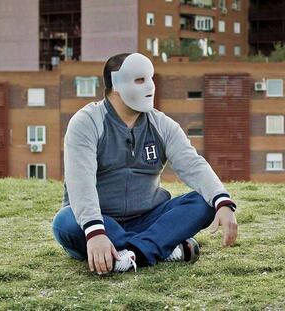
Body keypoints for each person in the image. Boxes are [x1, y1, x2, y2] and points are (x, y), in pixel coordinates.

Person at [52, 53, 238, 275]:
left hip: (149, 217)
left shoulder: (162, 124)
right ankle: (163, 247)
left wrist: (223, 202)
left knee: (205, 202)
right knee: (65, 221)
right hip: (103, 221)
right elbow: (80, 182)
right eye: (140, 80)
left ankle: (133, 254)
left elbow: (192, 164)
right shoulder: (86, 122)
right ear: (116, 84)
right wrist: (95, 232)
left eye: (151, 79)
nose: (150, 86)